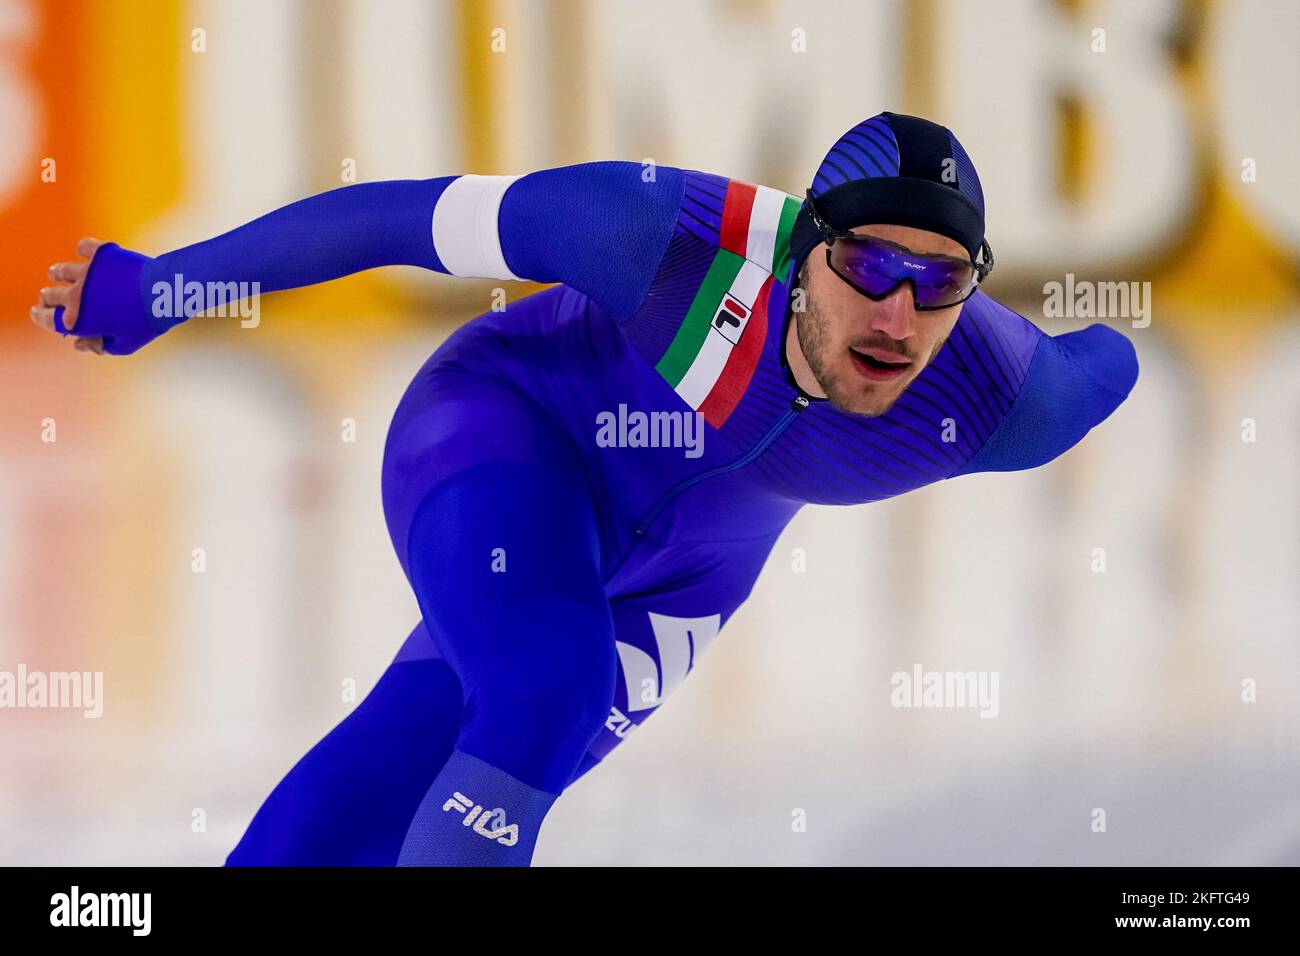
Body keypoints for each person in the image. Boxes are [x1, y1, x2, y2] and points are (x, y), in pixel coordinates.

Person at [29, 111, 1138, 866]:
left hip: (695, 568)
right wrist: (160, 285)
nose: (896, 314)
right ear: (804, 249)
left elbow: (1107, 362)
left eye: (938, 280)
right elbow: (398, 217)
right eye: (867, 266)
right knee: (543, 694)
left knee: (428, 760)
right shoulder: (658, 235)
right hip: (509, 431)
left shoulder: (1004, 398)